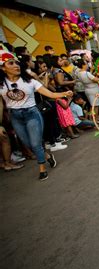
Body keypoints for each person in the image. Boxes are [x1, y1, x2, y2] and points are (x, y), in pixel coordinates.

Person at [0, 50, 73, 180]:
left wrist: (64, 94)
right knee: (28, 144)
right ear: (2, 67)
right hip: (15, 116)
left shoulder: (29, 81)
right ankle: (48, 156)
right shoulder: (1, 85)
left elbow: (49, 94)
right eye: (11, 63)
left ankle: (42, 168)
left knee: (35, 143)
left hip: (32, 114)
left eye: (17, 63)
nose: (16, 65)